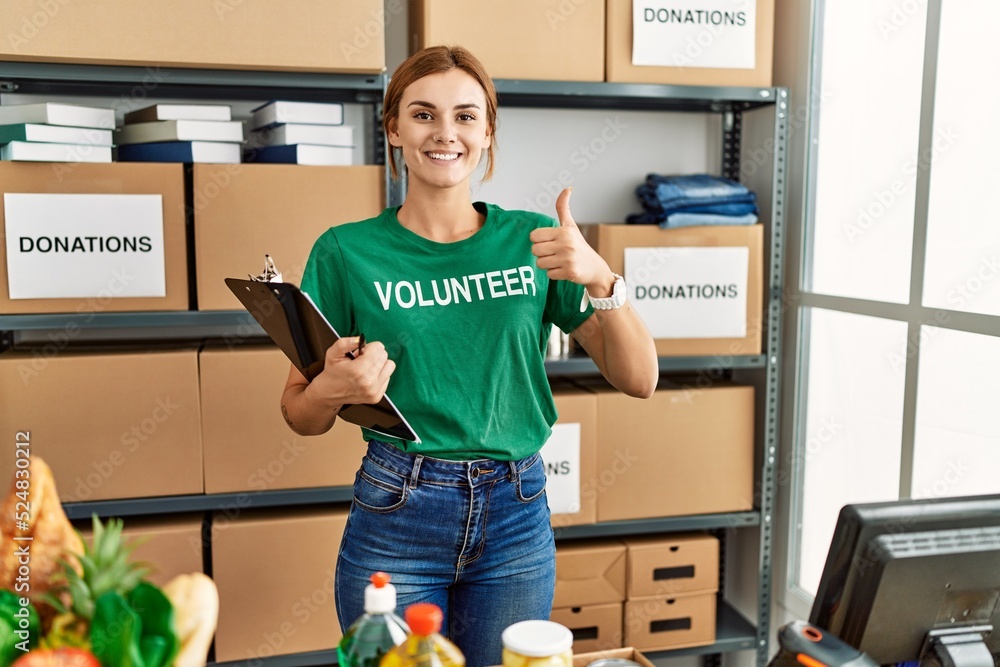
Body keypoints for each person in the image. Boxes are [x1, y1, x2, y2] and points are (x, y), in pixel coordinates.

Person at [280, 45, 658, 667]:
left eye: (465, 116)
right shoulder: (345, 252)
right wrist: (335, 388)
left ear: (487, 131)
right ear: (394, 128)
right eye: (424, 114)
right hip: (397, 508)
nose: (445, 133)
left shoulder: (535, 241)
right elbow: (299, 411)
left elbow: (640, 378)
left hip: (516, 513)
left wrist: (598, 277)